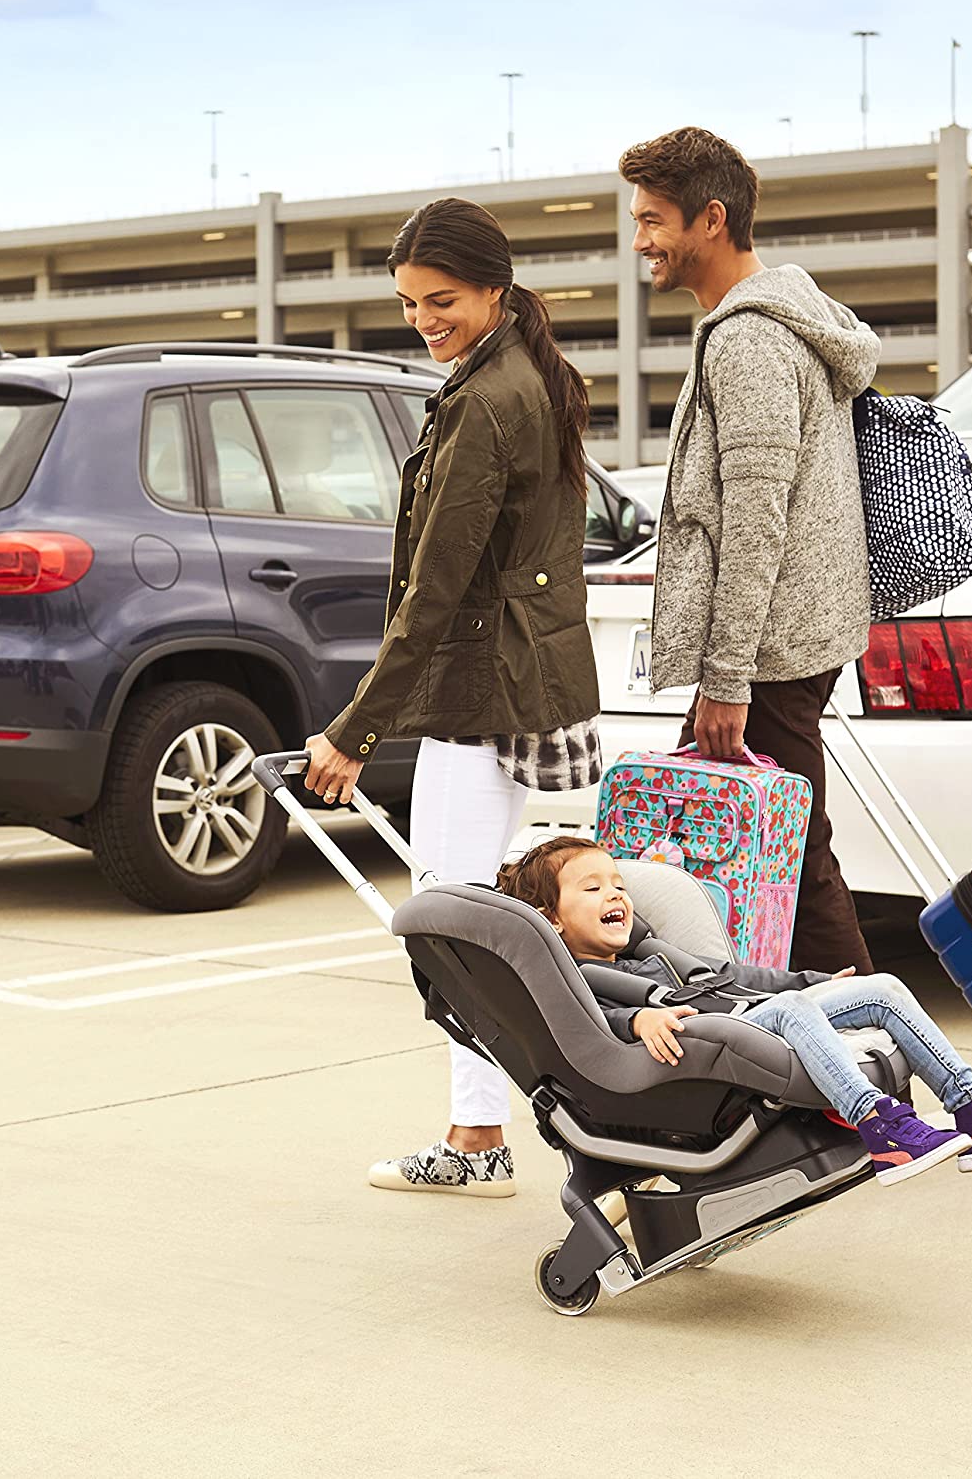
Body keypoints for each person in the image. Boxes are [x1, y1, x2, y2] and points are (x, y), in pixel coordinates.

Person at [303, 198, 601, 1199]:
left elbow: (436, 587)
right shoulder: (520, 374)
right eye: (411, 304)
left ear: (494, 288)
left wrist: (355, 728)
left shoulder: (488, 398)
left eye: (444, 301)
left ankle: (484, 1142)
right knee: (468, 918)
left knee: (457, 925)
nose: (426, 320)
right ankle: (484, 1130)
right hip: (506, 683)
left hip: (484, 690)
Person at [618, 126, 879, 977]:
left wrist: (726, 679)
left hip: (770, 648)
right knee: (780, 854)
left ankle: (880, 1081)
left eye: (654, 220)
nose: (641, 241)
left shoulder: (749, 341)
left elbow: (757, 518)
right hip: (789, 635)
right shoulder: (776, 323)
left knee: (796, 865)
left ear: (712, 220)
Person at [498, 838, 972, 1183]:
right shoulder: (572, 976)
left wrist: (820, 979)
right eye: (592, 889)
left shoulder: (652, 952)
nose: (616, 896)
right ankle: (881, 1128)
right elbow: (586, 1026)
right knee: (794, 1008)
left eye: (618, 885)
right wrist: (637, 1019)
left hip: (748, 1014)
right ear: (551, 920)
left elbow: (731, 977)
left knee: (885, 988)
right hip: (706, 1042)